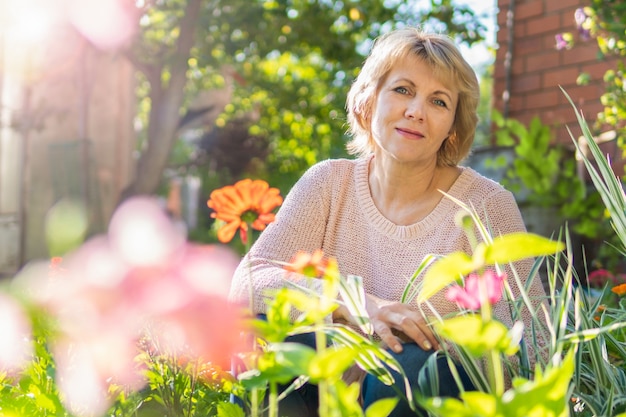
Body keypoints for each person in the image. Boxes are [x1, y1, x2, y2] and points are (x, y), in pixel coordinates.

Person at [228, 27, 546, 416]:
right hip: (322, 395)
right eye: (402, 90)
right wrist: (358, 304)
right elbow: (249, 280)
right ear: (368, 101)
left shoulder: (485, 206)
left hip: (425, 397)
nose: (416, 111)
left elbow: (532, 343)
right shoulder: (328, 184)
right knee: (263, 330)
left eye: (439, 101)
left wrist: (397, 355)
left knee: (411, 370)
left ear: (453, 129)